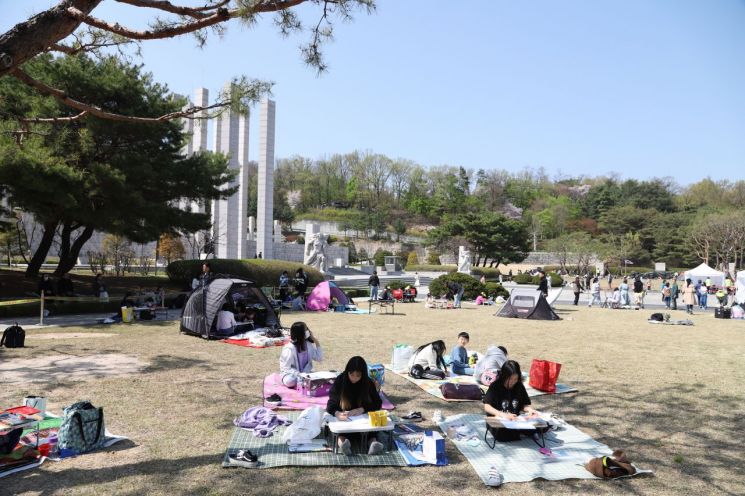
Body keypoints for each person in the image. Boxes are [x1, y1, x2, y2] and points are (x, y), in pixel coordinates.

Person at [326, 356, 384, 456]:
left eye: (358, 376)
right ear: (347, 371)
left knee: (371, 433)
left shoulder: (367, 382)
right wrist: (337, 413)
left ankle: (373, 444)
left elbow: (377, 403)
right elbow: (331, 404)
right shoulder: (341, 380)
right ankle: (343, 445)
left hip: (362, 422)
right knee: (340, 433)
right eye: (351, 374)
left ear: (363, 374)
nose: (354, 378)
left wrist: (362, 409)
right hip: (345, 421)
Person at [483, 361, 538, 442]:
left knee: (536, 426)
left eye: (515, 379)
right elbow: (487, 406)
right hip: (499, 419)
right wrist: (502, 414)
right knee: (505, 435)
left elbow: (523, 405)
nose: (512, 382)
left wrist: (529, 410)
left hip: (515, 419)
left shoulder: (519, 386)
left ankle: (523, 431)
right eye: (510, 379)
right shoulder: (495, 386)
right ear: (504, 376)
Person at [279, 322, 323, 387]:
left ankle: (304, 382)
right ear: (301, 333)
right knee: (290, 381)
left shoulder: (308, 345)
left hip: (305, 374)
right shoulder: (289, 348)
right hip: (291, 375)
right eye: (306, 329)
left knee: (319, 377)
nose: (308, 331)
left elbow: (319, 358)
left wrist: (316, 341)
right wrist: (299, 374)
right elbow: (285, 367)